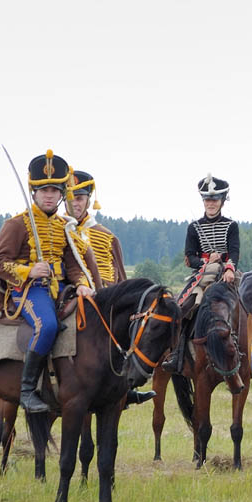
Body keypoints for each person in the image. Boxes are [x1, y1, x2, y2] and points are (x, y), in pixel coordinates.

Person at [0, 150, 100, 413]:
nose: (48, 195)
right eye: (43, 190)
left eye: (53, 190)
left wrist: (83, 282)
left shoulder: (66, 226)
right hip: (27, 291)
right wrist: (28, 270)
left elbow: (74, 265)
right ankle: (28, 390)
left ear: (62, 193)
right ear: (34, 193)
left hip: (62, 289)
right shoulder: (16, 224)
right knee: (47, 325)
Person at [69, 169, 153, 406]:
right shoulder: (57, 229)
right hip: (72, 292)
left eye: (80, 198)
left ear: (88, 200)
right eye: (72, 197)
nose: (75, 203)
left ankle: (125, 389)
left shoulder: (107, 236)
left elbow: (119, 277)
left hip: (104, 298)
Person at [161, 174, 240, 373]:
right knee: (183, 307)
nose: (210, 203)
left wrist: (229, 267)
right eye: (207, 199)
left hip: (226, 273)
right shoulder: (194, 227)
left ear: (222, 201)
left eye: (214, 199)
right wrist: (205, 261)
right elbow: (190, 256)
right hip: (202, 275)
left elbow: (234, 251)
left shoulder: (231, 226)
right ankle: (177, 353)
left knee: (246, 305)